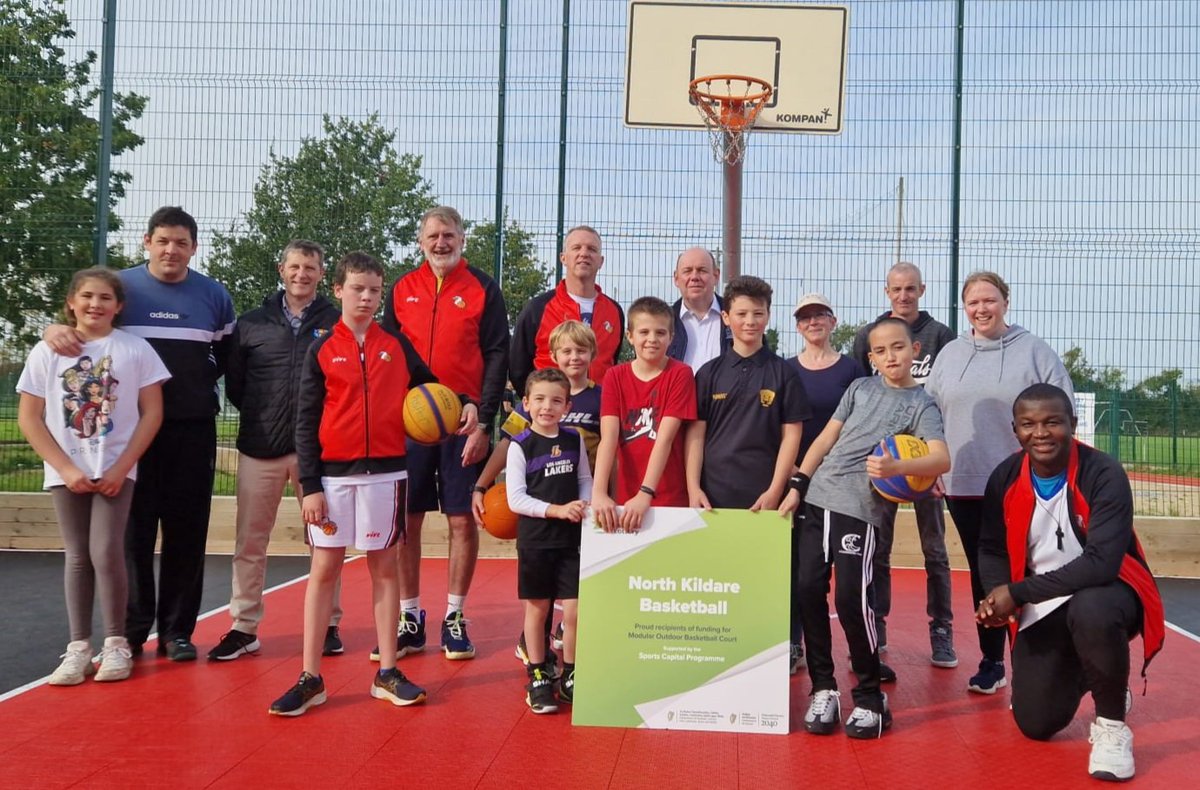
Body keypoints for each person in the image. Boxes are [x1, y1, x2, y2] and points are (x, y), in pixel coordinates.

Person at [43, 206, 236, 661]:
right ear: (147, 242)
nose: (172, 249)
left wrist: (191, 389)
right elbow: (85, 330)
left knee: (187, 531)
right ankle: (129, 632)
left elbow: (225, 356)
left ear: (194, 248)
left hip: (191, 429)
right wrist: (52, 329)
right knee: (133, 533)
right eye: (163, 240)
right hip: (127, 433)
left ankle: (177, 632)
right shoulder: (121, 288)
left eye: (182, 242)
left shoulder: (214, 295)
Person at [269, 252, 437, 716]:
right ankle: (310, 676)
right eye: (357, 288)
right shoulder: (321, 348)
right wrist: (310, 485)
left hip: (387, 475)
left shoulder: (397, 346)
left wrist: (460, 404)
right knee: (325, 569)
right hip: (332, 479)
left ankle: (386, 671)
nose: (366, 297)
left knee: (384, 569)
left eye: (374, 290)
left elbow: (430, 391)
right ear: (338, 290)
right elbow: (304, 422)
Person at [976, 384, 1163, 783]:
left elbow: (1101, 566)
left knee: (1091, 607)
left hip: (1111, 593)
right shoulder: (1005, 476)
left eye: (1052, 422)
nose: (1040, 433)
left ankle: (1112, 725)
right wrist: (995, 597)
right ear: (1015, 429)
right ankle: (1100, 675)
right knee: (1036, 723)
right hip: (1045, 601)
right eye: (1028, 424)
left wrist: (1017, 593)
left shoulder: (1103, 472)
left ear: (1073, 424)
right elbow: (991, 548)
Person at [780, 317, 949, 739]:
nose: (890, 356)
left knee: (853, 601)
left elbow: (941, 459)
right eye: (880, 350)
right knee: (806, 591)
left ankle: (872, 698)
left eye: (898, 347)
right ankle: (824, 689)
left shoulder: (922, 404)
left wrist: (900, 467)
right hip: (818, 499)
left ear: (914, 351)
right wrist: (799, 483)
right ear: (871, 357)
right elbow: (824, 439)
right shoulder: (858, 389)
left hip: (861, 510)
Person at [18, 268, 169, 685]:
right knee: (78, 555)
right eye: (86, 296)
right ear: (71, 302)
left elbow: (152, 412)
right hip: (67, 471)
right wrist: (65, 468)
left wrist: (123, 467)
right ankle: (79, 648)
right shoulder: (47, 352)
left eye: (105, 298)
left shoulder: (135, 349)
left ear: (118, 306)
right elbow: (29, 418)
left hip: (115, 470)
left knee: (106, 551)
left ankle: (116, 643)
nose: (95, 305)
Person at [926, 270, 1074, 695]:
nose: (981, 309)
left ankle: (1039, 660)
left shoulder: (1034, 352)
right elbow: (929, 413)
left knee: (1030, 570)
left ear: (1005, 302)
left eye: (989, 300)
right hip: (963, 483)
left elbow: (1060, 411)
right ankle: (993, 662)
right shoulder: (951, 354)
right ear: (964, 307)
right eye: (973, 302)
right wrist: (931, 467)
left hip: (1022, 483)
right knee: (984, 573)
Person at [208, 241, 345, 661]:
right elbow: (237, 386)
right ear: (280, 270)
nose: (301, 274)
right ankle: (244, 626)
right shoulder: (251, 324)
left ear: (322, 275)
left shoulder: (337, 323)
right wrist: (268, 419)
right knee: (250, 542)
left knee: (324, 542)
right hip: (259, 448)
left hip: (317, 454)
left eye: (310, 267)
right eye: (295, 266)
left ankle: (329, 623)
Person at [381, 206, 503, 662]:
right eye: (433, 235)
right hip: (411, 424)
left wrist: (484, 415)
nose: (441, 243)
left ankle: (455, 616)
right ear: (420, 241)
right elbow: (388, 355)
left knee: (459, 519)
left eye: (449, 234)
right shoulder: (402, 289)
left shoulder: (483, 289)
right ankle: (410, 618)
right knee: (406, 523)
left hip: (462, 421)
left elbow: (495, 353)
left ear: (462, 239)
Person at [471, 321, 601, 669]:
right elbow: (506, 444)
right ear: (555, 355)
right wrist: (481, 485)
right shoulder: (537, 399)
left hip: (578, 501)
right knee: (539, 597)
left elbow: (606, 452)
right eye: (566, 351)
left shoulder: (600, 396)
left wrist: (597, 497)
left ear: (592, 355)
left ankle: (569, 653)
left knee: (574, 593)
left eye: (581, 350)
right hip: (542, 504)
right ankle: (536, 655)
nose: (574, 357)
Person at [849, 262, 958, 671]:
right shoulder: (870, 335)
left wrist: (940, 464)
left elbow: (948, 399)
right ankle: (877, 625)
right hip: (885, 460)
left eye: (911, 288)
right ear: (886, 291)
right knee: (879, 546)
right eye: (896, 289)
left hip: (926, 460)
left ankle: (942, 630)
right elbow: (861, 395)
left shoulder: (940, 336)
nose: (904, 295)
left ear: (922, 290)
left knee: (935, 549)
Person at [785, 293, 866, 675]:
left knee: (851, 572)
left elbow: (859, 425)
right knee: (802, 569)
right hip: (797, 478)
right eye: (805, 318)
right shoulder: (787, 370)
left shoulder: (851, 371)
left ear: (833, 322)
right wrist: (795, 471)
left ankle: (867, 645)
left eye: (820, 316)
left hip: (842, 479)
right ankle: (793, 641)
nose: (812, 322)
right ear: (797, 326)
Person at [505, 368, 593, 714]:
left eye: (556, 400)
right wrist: (557, 510)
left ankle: (571, 673)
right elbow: (516, 499)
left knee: (574, 609)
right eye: (539, 399)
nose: (547, 407)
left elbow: (585, 478)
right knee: (538, 609)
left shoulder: (574, 440)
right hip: (536, 541)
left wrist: (583, 504)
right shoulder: (519, 445)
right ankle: (539, 674)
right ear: (526, 403)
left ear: (567, 405)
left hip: (570, 542)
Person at [686, 275, 808, 512]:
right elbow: (695, 436)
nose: (750, 321)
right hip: (711, 498)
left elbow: (791, 437)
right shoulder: (708, 374)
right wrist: (693, 488)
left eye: (758, 313)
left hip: (765, 500)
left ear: (768, 317)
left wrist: (775, 490)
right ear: (726, 318)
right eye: (741, 314)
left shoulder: (785, 374)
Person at [592, 297, 697, 532]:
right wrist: (599, 492)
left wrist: (645, 493)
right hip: (625, 498)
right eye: (644, 332)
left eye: (660, 333)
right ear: (630, 336)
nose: (652, 339)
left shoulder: (680, 374)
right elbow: (608, 438)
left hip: (668, 497)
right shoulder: (615, 376)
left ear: (671, 337)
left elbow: (665, 438)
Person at [509, 225, 625, 396]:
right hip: (550, 415)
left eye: (592, 249)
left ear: (601, 261)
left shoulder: (614, 311)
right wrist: (539, 402)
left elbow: (611, 362)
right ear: (563, 257)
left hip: (598, 413)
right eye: (576, 248)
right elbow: (518, 368)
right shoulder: (538, 308)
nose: (584, 253)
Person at [667, 247, 731, 370]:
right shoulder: (664, 321)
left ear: (716, 276)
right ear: (676, 278)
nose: (695, 277)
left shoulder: (735, 317)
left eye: (702, 270)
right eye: (687, 271)